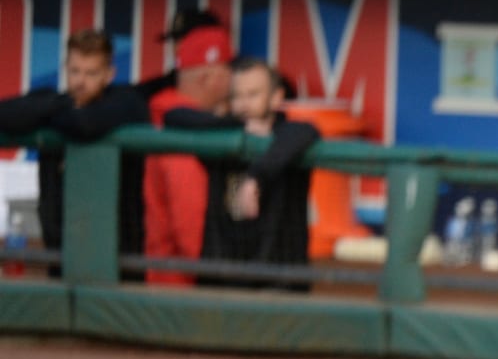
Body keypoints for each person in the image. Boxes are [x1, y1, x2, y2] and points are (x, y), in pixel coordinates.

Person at [0, 28, 149, 280]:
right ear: (65, 69)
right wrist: (60, 106)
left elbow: (85, 123)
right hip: (60, 250)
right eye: (75, 71)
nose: (81, 81)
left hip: (118, 257)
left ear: (109, 74)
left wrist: (47, 114)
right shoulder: (54, 101)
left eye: (91, 73)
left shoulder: (126, 101)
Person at [163, 56, 319, 291]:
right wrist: (237, 126)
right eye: (237, 96)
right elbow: (173, 116)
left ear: (276, 97)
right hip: (223, 282)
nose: (243, 104)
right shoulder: (225, 136)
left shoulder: (292, 135)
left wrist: (255, 178)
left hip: (278, 286)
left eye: (253, 94)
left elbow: (306, 131)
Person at [141, 24, 233, 286]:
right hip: (181, 290)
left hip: (178, 284)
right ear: (209, 78)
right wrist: (221, 274)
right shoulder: (179, 134)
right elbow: (189, 230)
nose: (232, 79)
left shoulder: (190, 122)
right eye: (228, 70)